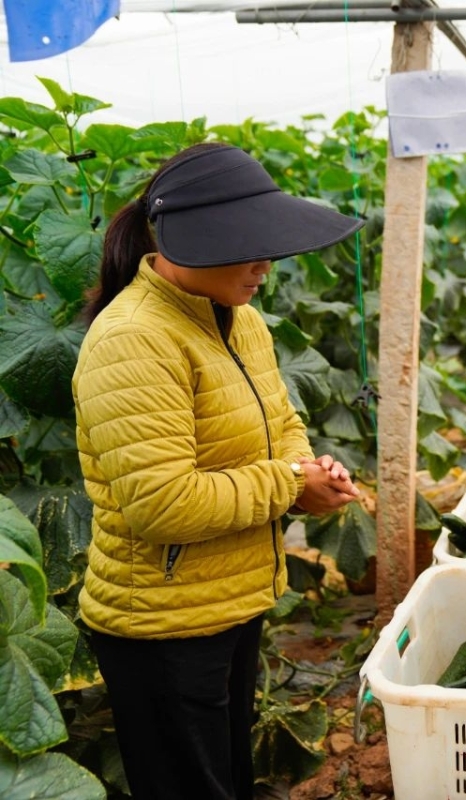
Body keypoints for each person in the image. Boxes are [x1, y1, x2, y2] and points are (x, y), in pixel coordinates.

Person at [73, 143, 364, 800]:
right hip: (164, 623)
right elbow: (162, 503)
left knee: (226, 778)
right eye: (245, 246)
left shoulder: (242, 320)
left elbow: (281, 420)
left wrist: (308, 467)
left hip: (230, 597)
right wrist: (291, 485)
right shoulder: (134, 339)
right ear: (186, 242)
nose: (264, 265)